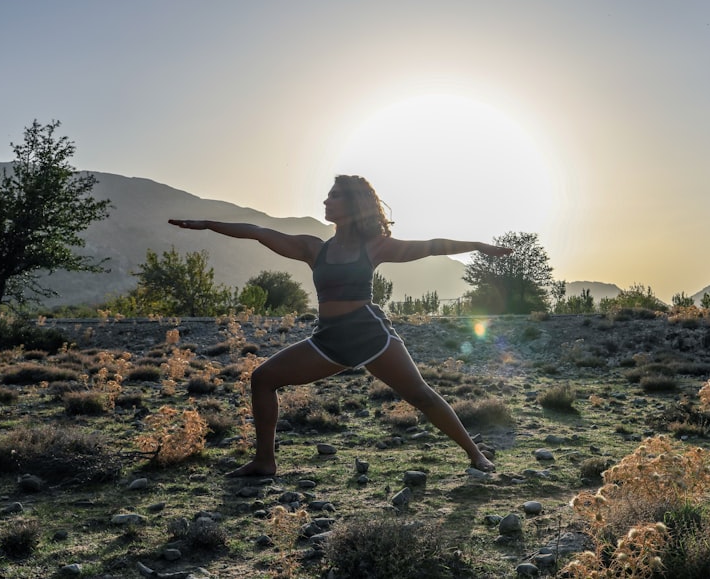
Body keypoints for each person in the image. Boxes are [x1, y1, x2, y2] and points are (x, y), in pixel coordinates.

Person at [169, 174, 511, 477]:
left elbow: (432, 247)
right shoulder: (314, 248)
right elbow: (258, 232)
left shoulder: (374, 246)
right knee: (262, 379)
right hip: (329, 340)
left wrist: (477, 246)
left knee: (420, 395)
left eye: (334, 195)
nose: (326, 201)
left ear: (352, 203)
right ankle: (264, 462)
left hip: (370, 334)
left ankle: (475, 454)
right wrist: (207, 223)